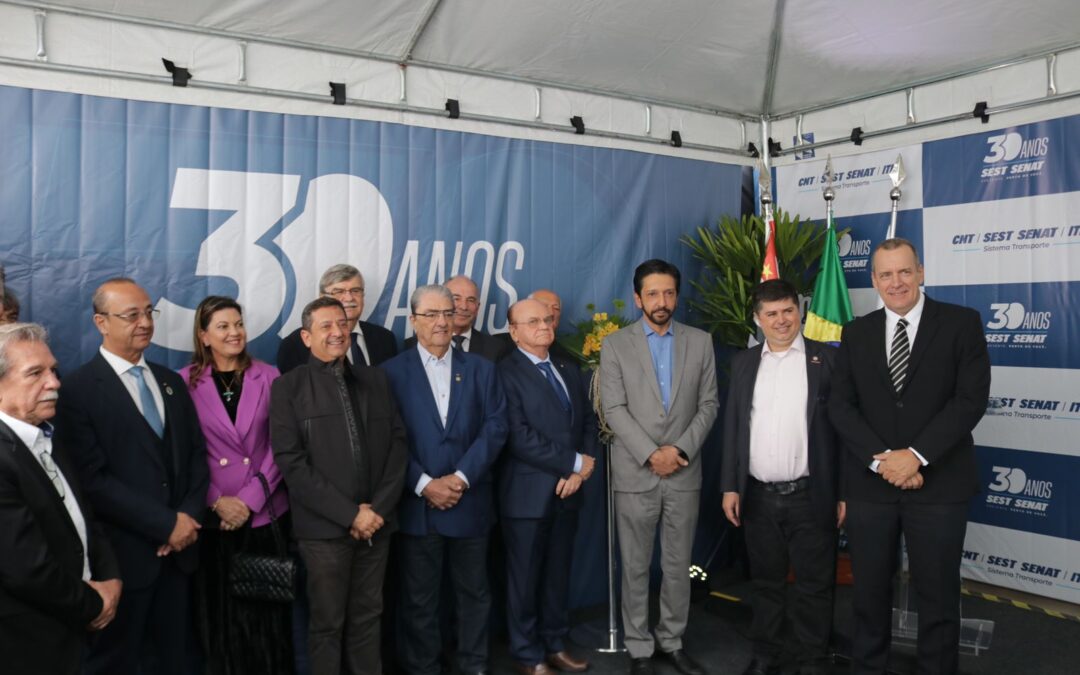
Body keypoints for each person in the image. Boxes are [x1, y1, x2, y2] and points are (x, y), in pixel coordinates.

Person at [829, 238, 990, 675]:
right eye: (885, 274)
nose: (895, 282)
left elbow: (970, 400)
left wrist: (916, 457)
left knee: (938, 598)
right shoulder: (856, 331)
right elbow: (841, 407)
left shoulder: (962, 323)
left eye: (904, 272)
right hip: (871, 487)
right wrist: (885, 463)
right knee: (868, 598)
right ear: (874, 280)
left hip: (940, 486)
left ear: (920, 272)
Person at [55, 278, 209, 675]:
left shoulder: (172, 382)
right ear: (101, 322)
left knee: (178, 660)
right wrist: (163, 525)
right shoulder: (77, 391)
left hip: (180, 557)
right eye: (131, 315)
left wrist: (186, 520)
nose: (144, 322)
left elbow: (194, 458)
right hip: (124, 560)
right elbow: (90, 480)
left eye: (147, 312)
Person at [271, 296, 407, 675]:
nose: (337, 332)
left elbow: (398, 446)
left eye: (342, 324)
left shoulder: (376, 379)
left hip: (376, 527)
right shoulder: (288, 388)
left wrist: (376, 510)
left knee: (368, 619)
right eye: (326, 326)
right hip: (323, 533)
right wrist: (350, 514)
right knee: (327, 625)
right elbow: (291, 464)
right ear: (306, 336)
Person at [381, 284, 508, 675]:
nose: (441, 322)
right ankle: (424, 668)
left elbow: (496, 426)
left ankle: (474, 666)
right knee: (420, 600)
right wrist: (423, 484)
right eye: (431, 315)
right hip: (419, 506)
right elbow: (387, 438)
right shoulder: (389, 373)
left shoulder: (482, 369)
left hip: (468, 502)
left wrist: (461, 478)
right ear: (414, 320)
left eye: (447, 314)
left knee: (474, 594)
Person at [600, 259, 718, 675]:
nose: (661, 301)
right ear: (638, 298)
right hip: (636, 474)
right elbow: (613, 408)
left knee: (677, 563)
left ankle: (671, 639)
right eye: (652, 293)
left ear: (677, 296)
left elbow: (708, 405)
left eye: (668, 293)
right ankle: (639, 648)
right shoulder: (615, 345)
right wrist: (652, 454)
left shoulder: (701, 342)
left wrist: (679, 452)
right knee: (634, 566)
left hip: (684, 473)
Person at [720, 280, 842, 675]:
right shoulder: (743, 363)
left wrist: (844, 492)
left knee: (814, 585)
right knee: (766, 583)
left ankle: (812, 659)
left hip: (812, 495)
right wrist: (729, 486)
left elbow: (843, 432)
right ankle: (766, 654)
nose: (781, 320)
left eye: (788, 310)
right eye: (771, 314)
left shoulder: (828, 361)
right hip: (757, 496)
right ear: (757, 319)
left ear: (800, 311)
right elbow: (734, 428)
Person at [179, 296, 292, 674]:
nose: (235, 332)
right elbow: (183, 453)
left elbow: (282, 446)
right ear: (204, 335)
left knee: (265, 617)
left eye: (238, 324)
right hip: (214, 520)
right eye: (223, 326)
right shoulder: (183, 382)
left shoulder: (270, 375)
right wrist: (217, 501)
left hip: (262, 516)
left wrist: (249, 499)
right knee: (220, 616)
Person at [0, 323, 122, 675]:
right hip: (29, 643)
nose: (54, 383)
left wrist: (112, 579)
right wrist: (95, 604)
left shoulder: (46, 438)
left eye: (53, 370)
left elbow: (82, 516)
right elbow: (25, 570)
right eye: (35, 373)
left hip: (72, 633)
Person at [499, 298, 597, 674]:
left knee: (557, 576)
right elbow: (518, 436)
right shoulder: (504, 373)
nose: (543, 325)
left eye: (547, 319)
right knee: (524, 581)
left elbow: (587, 422)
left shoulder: (567, 367)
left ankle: (555, 644)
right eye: (532, 321)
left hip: (569, 492)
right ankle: (527, 654)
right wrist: (572, 462)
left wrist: (580, 472)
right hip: (526, 497)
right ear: (514, 331)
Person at [277, 264, 399, 373]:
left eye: (355, 290)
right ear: (322, 298)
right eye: (338, 291)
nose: (349, 298)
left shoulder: (385, 339)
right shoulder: (294, 345)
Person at [405, 275, 511, 361]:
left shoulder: (495, 348)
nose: (464, 307)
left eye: (471, 300)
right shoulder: (411, 346)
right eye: (456, 298)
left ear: (477, 308)